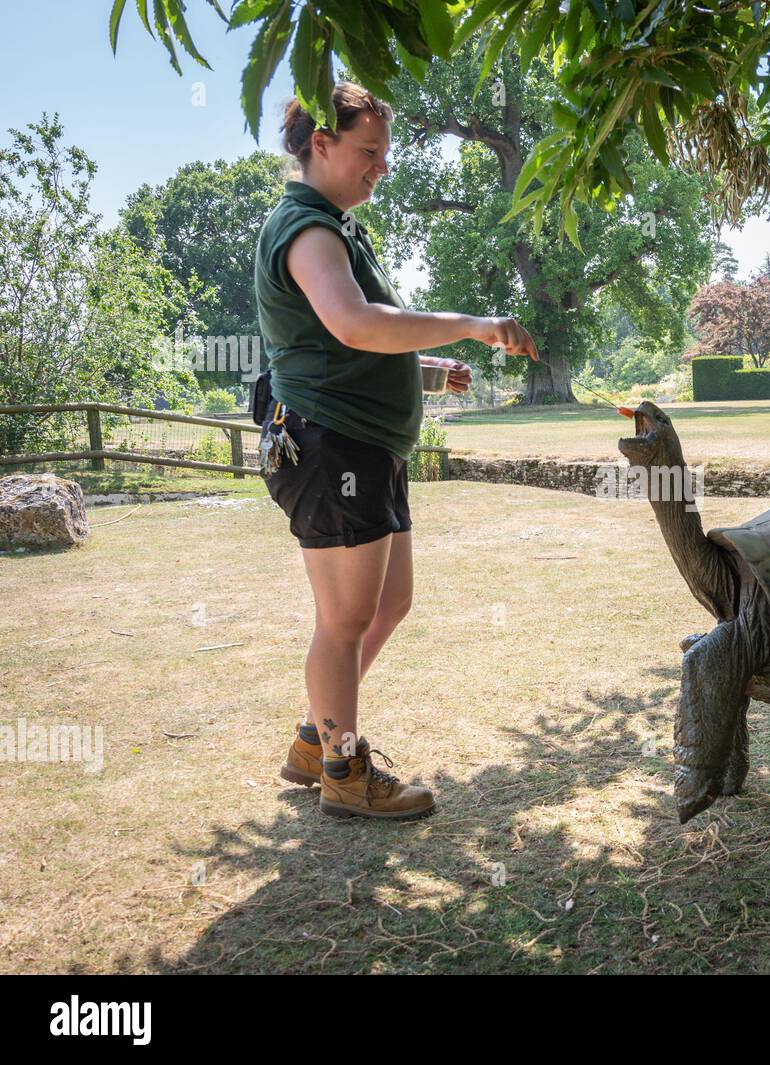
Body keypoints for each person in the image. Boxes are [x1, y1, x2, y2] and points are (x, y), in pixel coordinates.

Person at [255, 82, 538, 820]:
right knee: (344, 619)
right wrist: (472, 324)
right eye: (369, 151)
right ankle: (344, 770)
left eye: (386, 153)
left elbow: (343, 342)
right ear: (322, 144)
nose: (382, 167)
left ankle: (316, 741)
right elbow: (354, 324)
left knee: (390, 602)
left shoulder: (339, 227)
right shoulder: (308, 228)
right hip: (330, 445)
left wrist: (424, 371)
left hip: (368, 447)